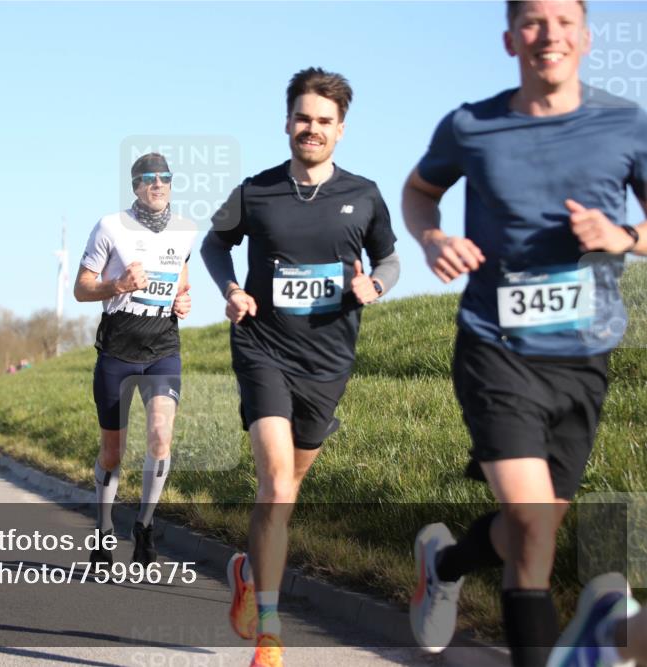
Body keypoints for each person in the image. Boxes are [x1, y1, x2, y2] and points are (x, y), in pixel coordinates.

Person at [402, 2, 647, 666]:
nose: (549, 34)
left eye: (564, 20)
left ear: (586, 37)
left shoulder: (626, 124)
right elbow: (420, 189)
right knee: (533, 526)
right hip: (495, 346)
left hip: (584, 356)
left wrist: (623, 236)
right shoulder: (472, 124)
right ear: (511, 38)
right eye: (534, 21)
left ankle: (446, 561)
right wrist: (432, 237)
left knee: (529, 532)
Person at [201, 67, 400, 667]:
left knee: (286, 492)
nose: (310, 129)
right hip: (262, 346)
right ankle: (269, 630)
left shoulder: (363, 194)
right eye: (302, 118)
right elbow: (214, 243)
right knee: (277, 483)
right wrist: (231, 289)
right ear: (287, 121)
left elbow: (390, 258)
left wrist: (376, 285)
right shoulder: (255, 190)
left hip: (328, 361)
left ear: (340, 129)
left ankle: (247, 571)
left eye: (323, 121)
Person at [74, 152, 196, 567]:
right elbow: (81, 288)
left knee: (161, 437)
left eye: (165, 177)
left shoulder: (184, 229)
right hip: (118, 349)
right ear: (136, 186)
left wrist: (183, 298)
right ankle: (104, 528)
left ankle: (144, 525)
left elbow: (180, 274)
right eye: (149, 178)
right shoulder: (110, 226)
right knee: (113, 453)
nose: (158, 183)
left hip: (163, 347)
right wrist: (118, 284)